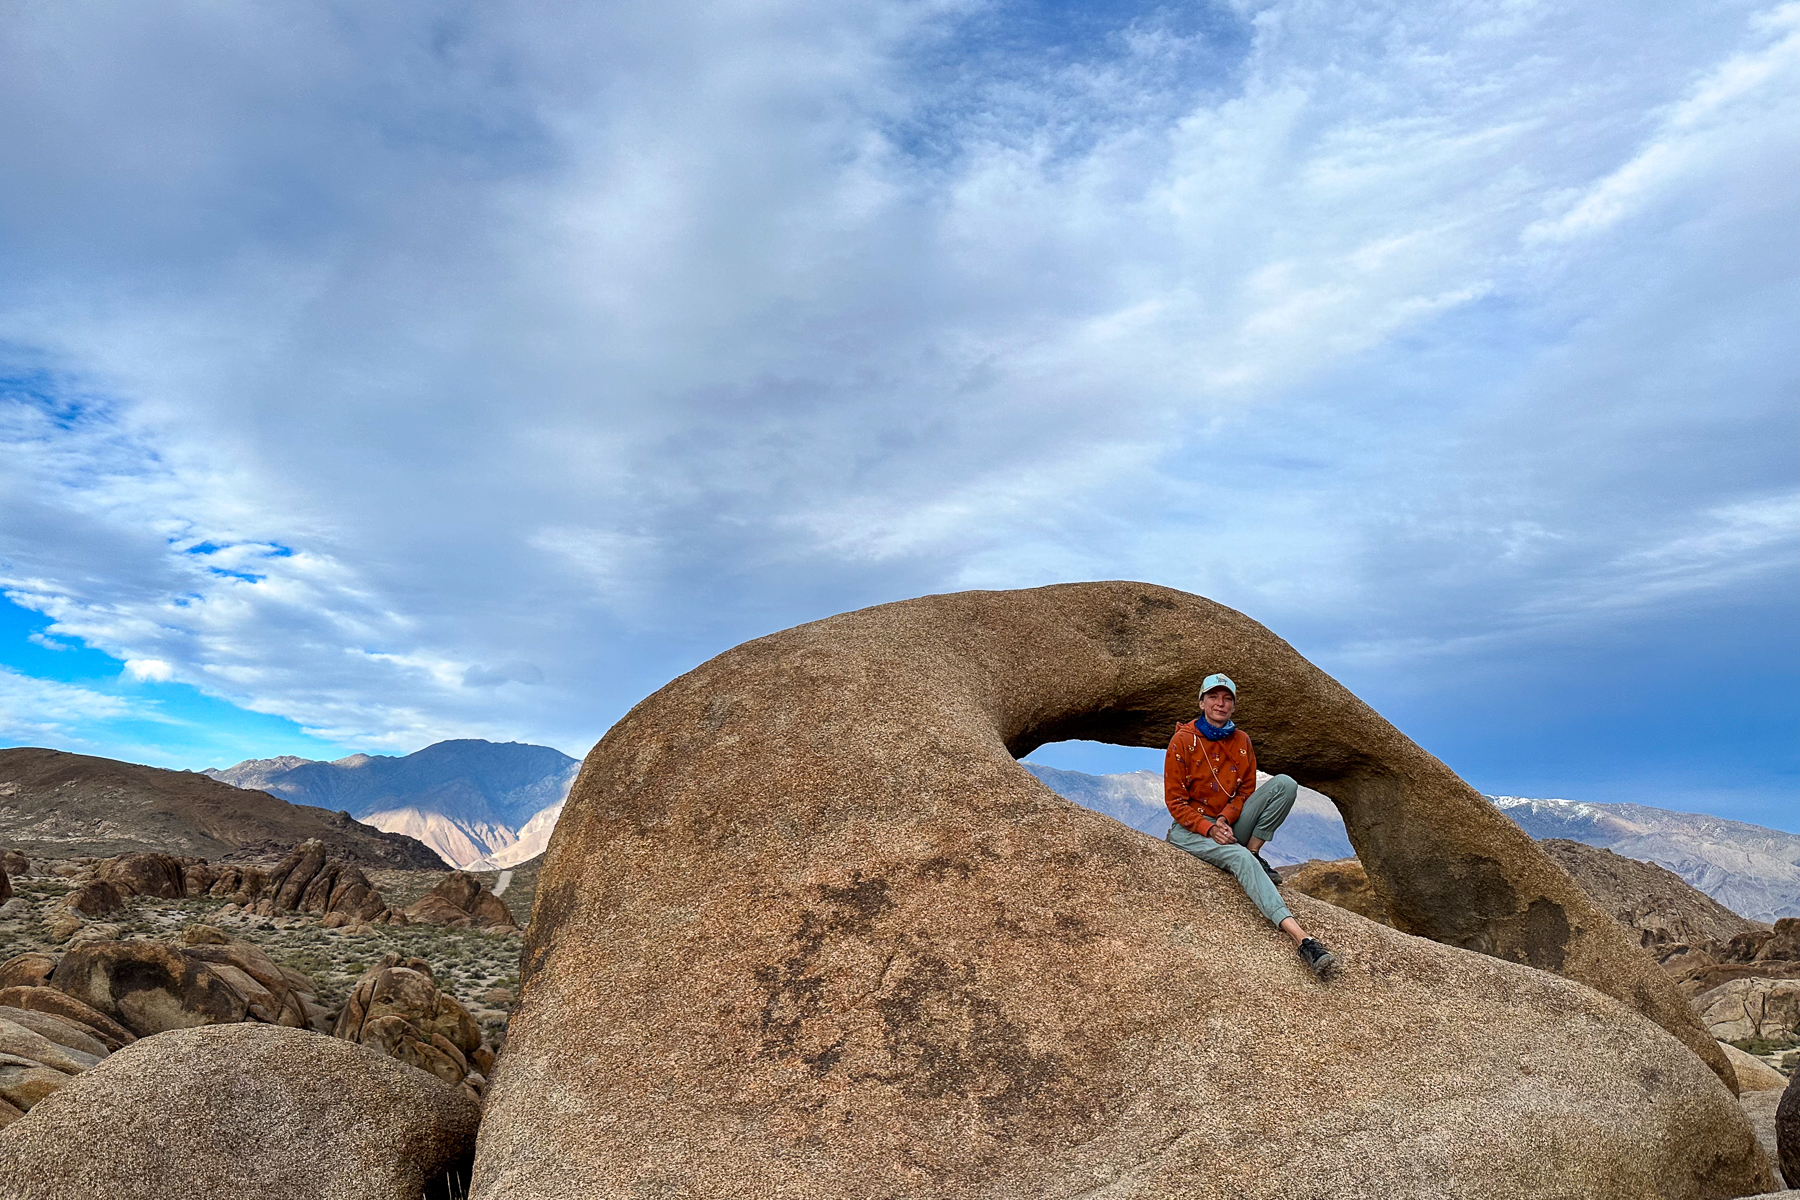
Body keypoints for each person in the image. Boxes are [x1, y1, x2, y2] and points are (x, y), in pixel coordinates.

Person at [1165, 673, 1338, 976]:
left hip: (1226, 822)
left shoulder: (1241, 741)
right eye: (1214, 697)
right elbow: (1175, 802)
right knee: (1238, 856)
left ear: (1233, 706)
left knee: (1285, 785)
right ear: (1202, 702)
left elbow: (1245, 791)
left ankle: (1255, 851)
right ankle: (1303, 939)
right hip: (1190, 829)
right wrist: (1209, 828)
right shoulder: (1183, 740)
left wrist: (1224, 819)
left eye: (1227, 698)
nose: (1220, 703)